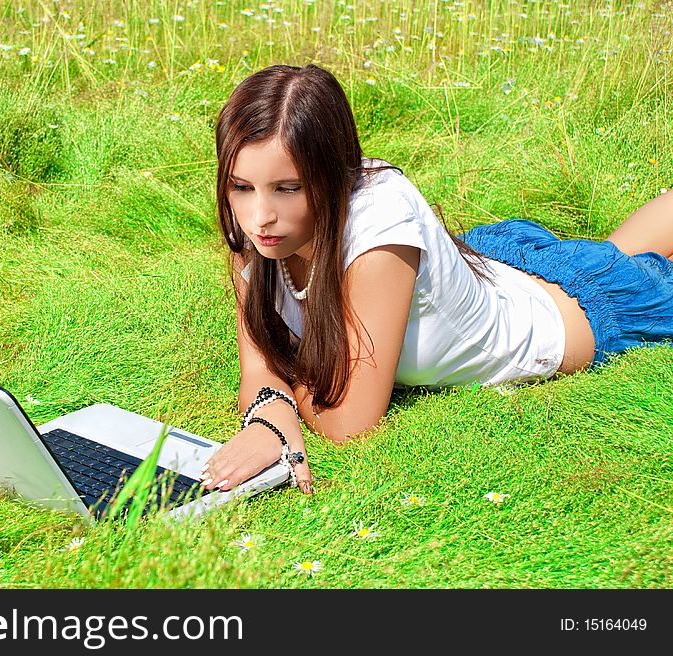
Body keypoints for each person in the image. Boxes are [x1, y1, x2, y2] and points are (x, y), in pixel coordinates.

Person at [199, 63, 673, 496]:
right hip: (495, 268)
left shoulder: (380, 234)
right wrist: (271, 411)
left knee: (620, 268)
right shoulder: (259, 235)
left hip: (572, 319)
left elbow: (349, 423)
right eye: (241, 186)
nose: (260, 216)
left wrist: (280, 396)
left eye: (288, 188)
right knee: (614, 255)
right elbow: (261, 369)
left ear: (331, 176)